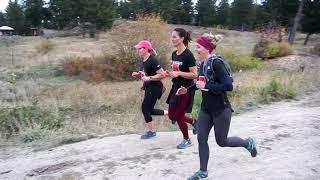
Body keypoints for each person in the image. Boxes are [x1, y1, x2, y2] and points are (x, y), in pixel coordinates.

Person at [176, 33, 258, 180]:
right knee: (201, 138)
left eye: (199, 47)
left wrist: (206, 85)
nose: (197, 49)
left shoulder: (216, 63)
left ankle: (247, 143)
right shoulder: (201, 64)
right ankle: (203, 172)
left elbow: (228, 86)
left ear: (207, 48)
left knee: (222, 141)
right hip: (206, 109)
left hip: (221, 109)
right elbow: (200, 83)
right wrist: (187, 90)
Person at [166, 28, 198, 149]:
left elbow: (195, 74)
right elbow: (175, 71)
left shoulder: (188, 55)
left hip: (186, 89)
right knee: (171, 115)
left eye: (175, 37)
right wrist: (169, 73)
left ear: (182, 39)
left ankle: (187, 140)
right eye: (172, 36)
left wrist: (179, 73)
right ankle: (194, 122)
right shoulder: (174, 54)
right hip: (176, 87)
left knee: (179, 116)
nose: (172, 39)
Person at [132, 40, 168, 139]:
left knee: (145, 109)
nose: (138, 50)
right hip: (149, 87)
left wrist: (149, 78)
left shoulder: (153, 60)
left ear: (146, 49)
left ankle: (152, 132)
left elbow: (162, 75)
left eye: (140, 48)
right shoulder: (144, 60)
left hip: (155, 87)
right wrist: (137, 74)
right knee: (149, 110)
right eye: (138, 48)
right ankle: (170, 114)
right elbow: (144, 74)